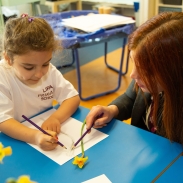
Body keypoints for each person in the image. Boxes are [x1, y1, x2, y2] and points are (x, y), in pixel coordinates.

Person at [85, 12, 183, 145]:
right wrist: (112, 110)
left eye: (146, 71)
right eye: (134, 64)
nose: (133, 75)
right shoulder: (144, 82)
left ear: (175, 72)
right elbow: (130, 98)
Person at [0, 14, 80, 151]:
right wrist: (35, 137)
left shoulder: (49, 71)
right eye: (28, 67)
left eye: (46, 64)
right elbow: (3, 121)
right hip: (16, 144)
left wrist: (55, 118)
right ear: (8, 59)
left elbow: (72, 98)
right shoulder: (3, 76)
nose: (39, 74)